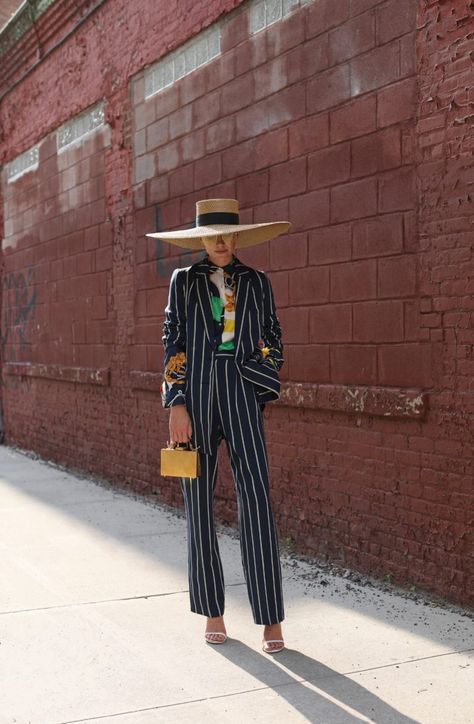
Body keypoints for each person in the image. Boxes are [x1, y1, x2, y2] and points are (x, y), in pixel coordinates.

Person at [147, 198, 291, 654]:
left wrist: (258, 383)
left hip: (243, 396)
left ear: (238, 237)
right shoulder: (182, 282)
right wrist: (176, 403)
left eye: (228, 235)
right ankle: (213, 611)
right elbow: (173, 339)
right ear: (200, 239)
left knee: (257, 503)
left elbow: (273, 337)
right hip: (197, 399)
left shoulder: (258, 282)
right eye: (212, 236)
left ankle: (270, 618)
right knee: (200, 508)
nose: (221, 243)